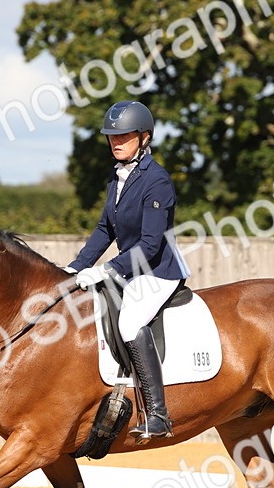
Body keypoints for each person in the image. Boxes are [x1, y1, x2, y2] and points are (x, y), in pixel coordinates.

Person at [68, 100, 190, 441]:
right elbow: (105, 229)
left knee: (130, 321)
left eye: (124, 135)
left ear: (145, 137)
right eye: (111, 136)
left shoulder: (158, 181)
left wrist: (107, 268)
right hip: (131, 269)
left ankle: (157, 415)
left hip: (158, 271)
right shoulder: (116, 177)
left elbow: (151, 245)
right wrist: (76, 267)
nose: (116, 141)